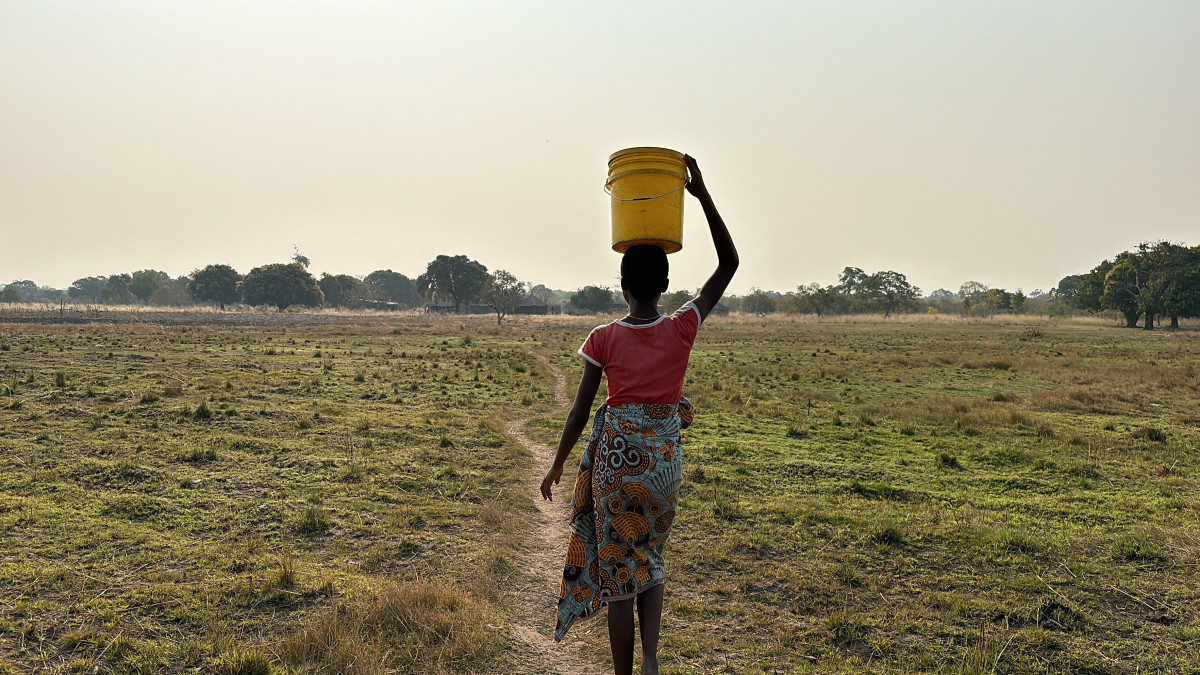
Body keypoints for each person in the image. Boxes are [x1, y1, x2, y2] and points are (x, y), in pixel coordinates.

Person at [541, 155, 738, 675]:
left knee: (619, 578)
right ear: (665, 285)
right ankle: (652, 660)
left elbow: (581, 412)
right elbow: (729, 264)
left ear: (623, 287)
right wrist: (702, 196)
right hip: (663, 469)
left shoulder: (603, 338)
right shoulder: (683, 327)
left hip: (616, 471)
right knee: (652, 563)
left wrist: (559, 464)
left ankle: (626, 674)